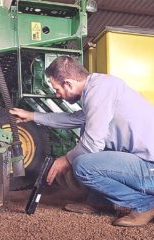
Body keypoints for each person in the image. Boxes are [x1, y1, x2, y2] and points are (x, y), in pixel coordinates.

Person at [10, 56, 154, 227]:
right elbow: (73, 119)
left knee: (83, 165)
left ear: (68, 83)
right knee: (90, 147)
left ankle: (144, 204)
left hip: (149, 169)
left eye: (57, 89)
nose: (57, 94)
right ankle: (99, 202)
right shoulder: (98, 88)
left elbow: (93, 143)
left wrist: (66, 160)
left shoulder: (100, 89)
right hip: (145, 164)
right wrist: (33, 116)